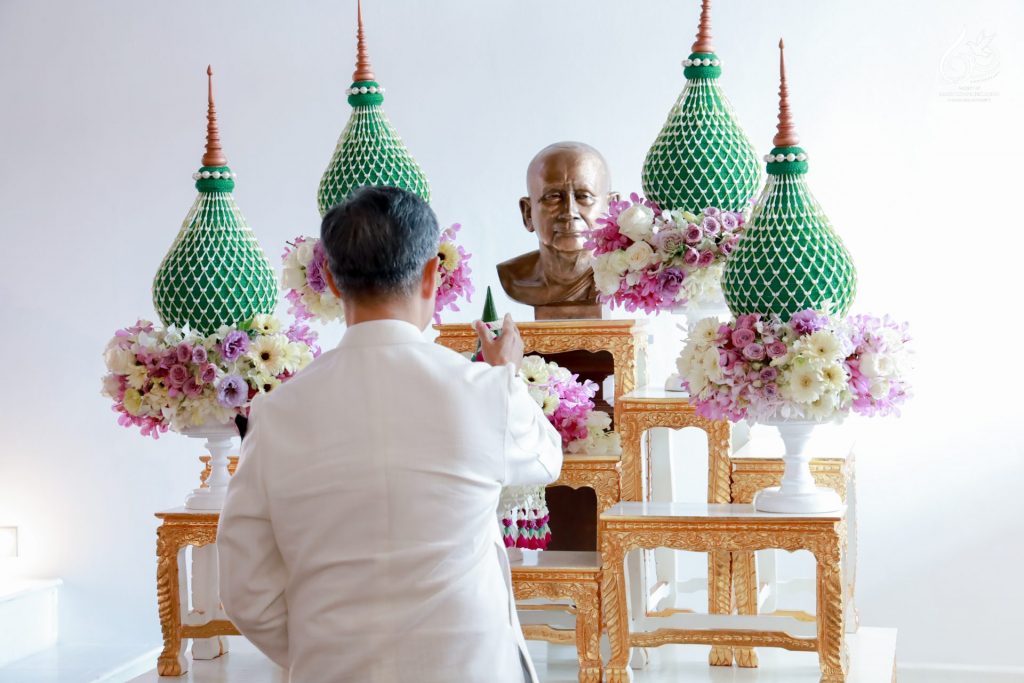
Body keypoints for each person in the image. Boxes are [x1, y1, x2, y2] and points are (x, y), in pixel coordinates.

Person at [218, 185, 563, 683]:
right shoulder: (484, 392)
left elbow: (244, 588)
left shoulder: (275, 413)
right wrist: (506, 374)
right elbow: (547, 459)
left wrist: (323, 651)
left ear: (331, 280)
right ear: (432, 275)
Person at [497, 141, 616, 320]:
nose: (569, 212)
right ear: (528, 213)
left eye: (583, 196)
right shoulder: (513, 277)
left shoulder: (628, 275)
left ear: (612, 208)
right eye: (553, 197)